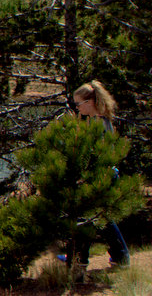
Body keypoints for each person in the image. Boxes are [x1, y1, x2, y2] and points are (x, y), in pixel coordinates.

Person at [64, 80, 130, 268]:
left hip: (102, 175)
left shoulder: (99, 123)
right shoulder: (99, 120)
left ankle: (79, 260)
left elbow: (99, 154)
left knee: (90, 218)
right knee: (101, 218)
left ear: (90, 102)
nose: (77, 108)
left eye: (78, 104)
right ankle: (117, 257)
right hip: (105, 174)